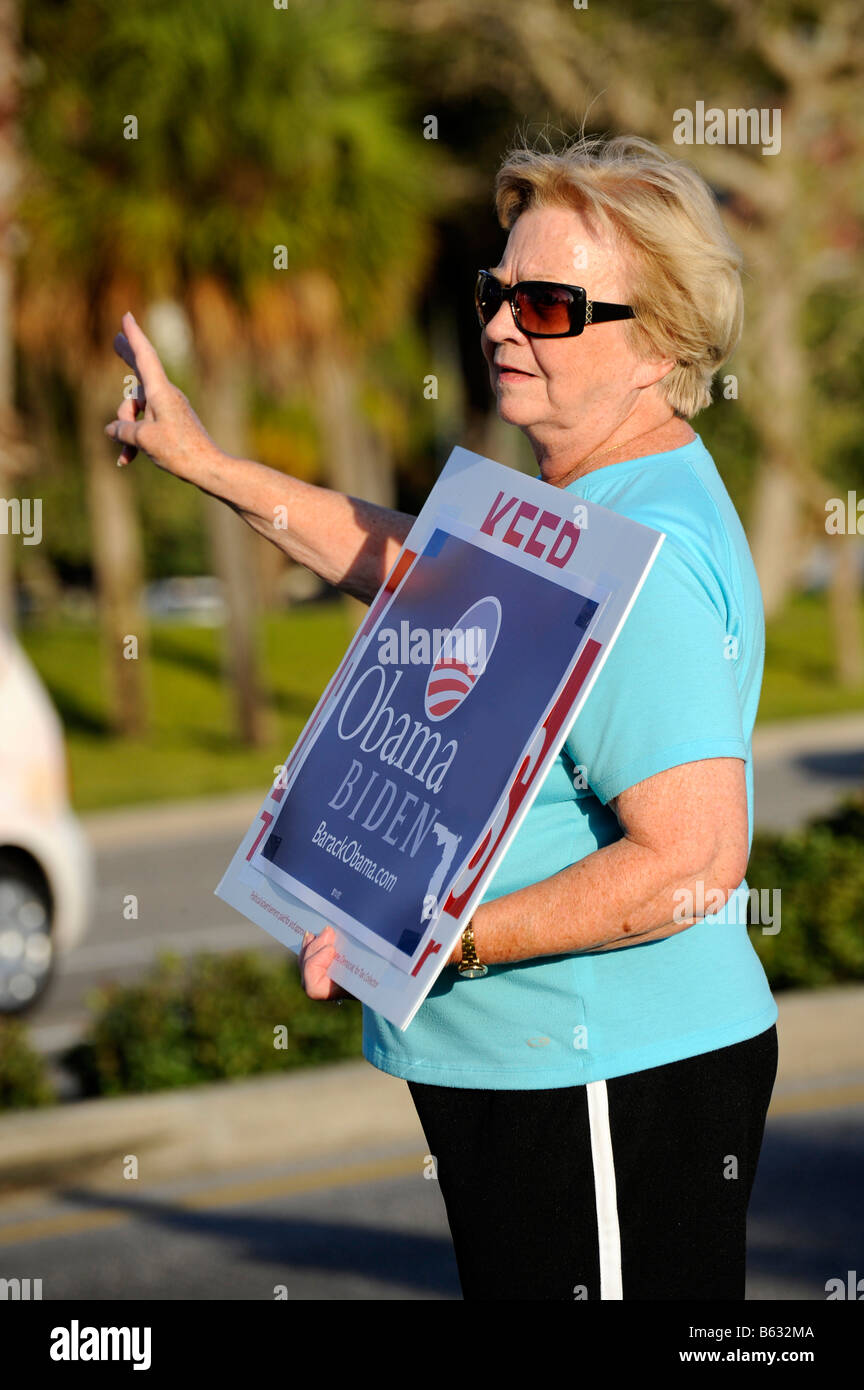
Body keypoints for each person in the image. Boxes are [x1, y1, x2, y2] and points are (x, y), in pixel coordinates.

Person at [105, 131, 778, 1302]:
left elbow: (696, 860)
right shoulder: (582, 504)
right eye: (495, 293)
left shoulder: (647, 549)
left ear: (660, 343)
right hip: (528, 1069)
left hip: (604, 1067)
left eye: (550, 306)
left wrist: (441, 939)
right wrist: (205, 463)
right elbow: (404, 563)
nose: (504, 326)